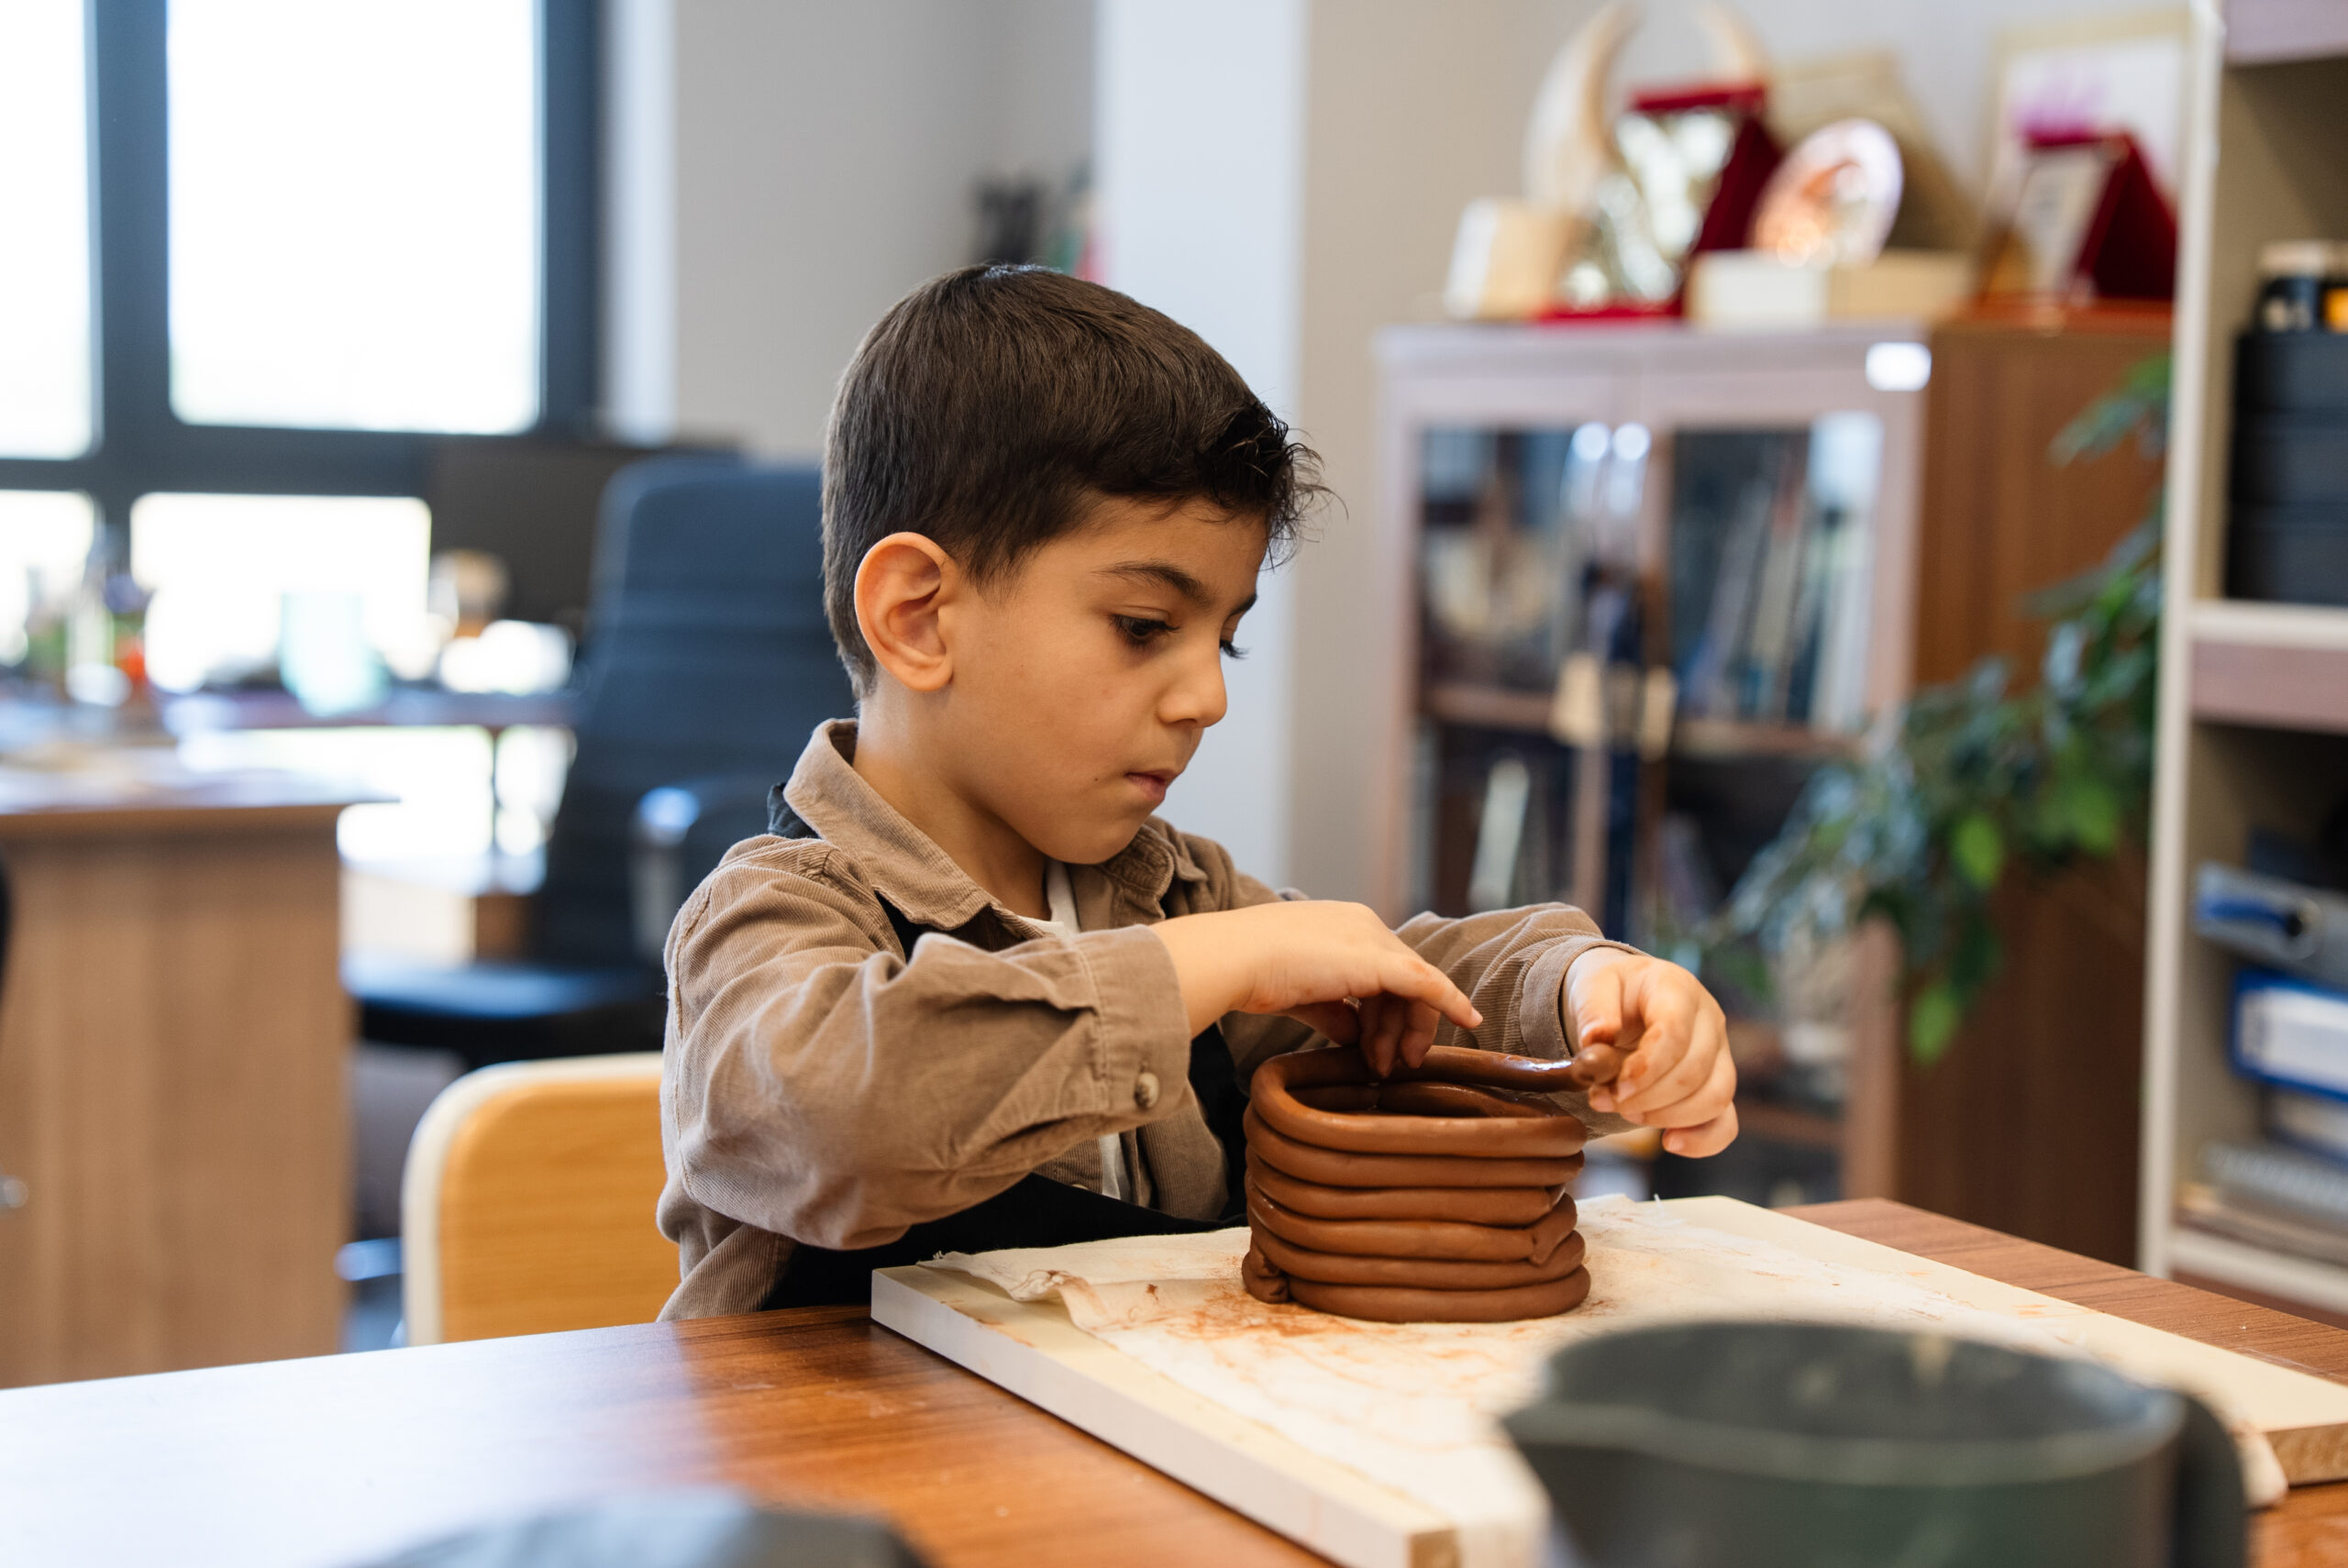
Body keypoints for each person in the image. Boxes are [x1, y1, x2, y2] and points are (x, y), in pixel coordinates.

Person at [655, 265, 1737, 1318]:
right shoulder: (769, 916)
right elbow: (841, 1116)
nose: (1207, 698)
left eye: (1225, 640)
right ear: (920, 617)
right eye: (1142, 628)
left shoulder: (1173, 895)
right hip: (849, 1487)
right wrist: (1199, 970)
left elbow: (1391, 1004)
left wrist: (1578, 991)